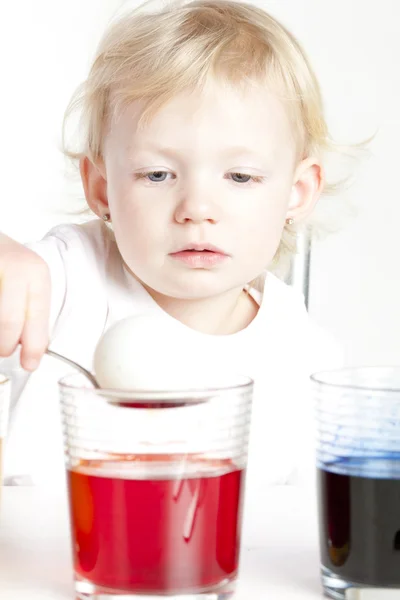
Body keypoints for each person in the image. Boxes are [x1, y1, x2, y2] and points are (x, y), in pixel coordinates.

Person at [0, 0, 344, 489]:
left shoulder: (304, 358)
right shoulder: (61, 282)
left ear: (297, 192)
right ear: (102, 188)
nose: (196, 207)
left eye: (240, 176)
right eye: (157, 174)